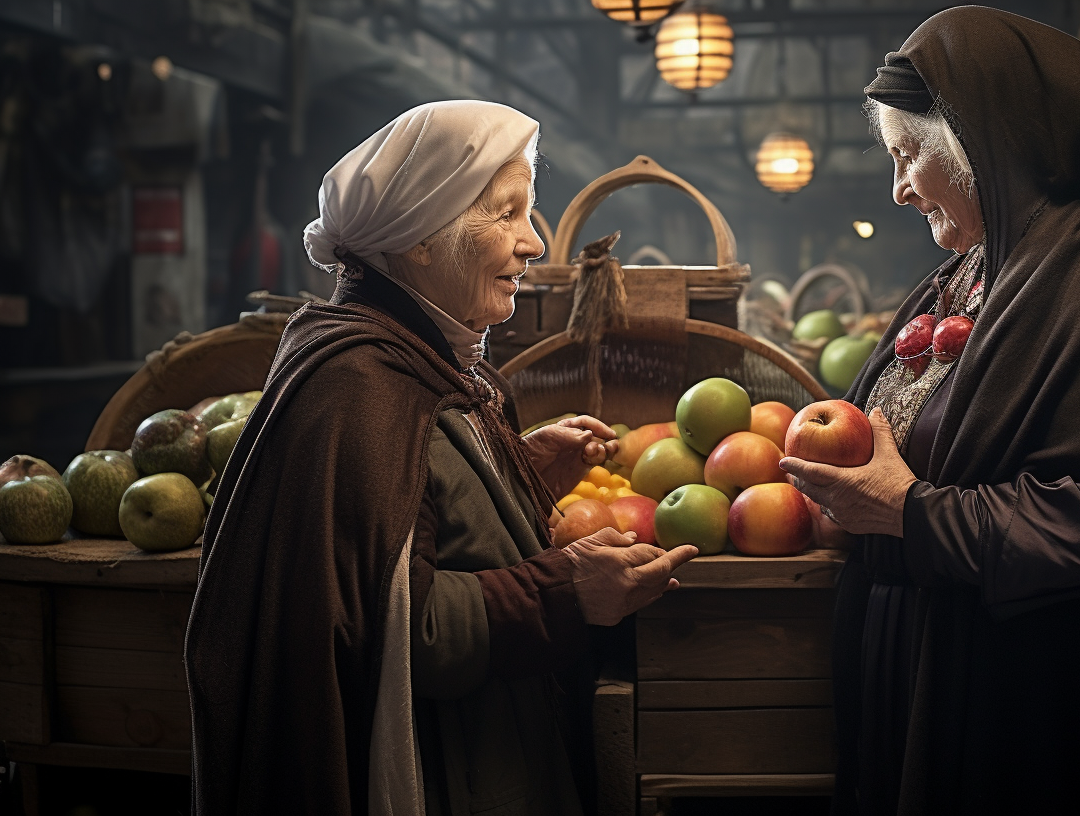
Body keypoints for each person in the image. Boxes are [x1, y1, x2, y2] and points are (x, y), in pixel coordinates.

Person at [778, 8, 1080, 814]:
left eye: (907, 155)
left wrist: (911, 514)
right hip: (941, 677)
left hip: (1029, 713)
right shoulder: (975, 270)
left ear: (978, 137)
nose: (896, 189)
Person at [186, 100, 698, 816]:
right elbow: (396, 623)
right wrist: (566, 592)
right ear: (420, 238)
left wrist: (512, 470)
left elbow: (409, 515)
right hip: (442, 775)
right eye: (508, 213)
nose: (534, 245)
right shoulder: (356, 386)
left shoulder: (421, 361)